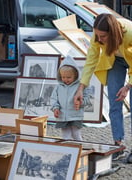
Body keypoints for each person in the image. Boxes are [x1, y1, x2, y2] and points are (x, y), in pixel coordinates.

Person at [73, 13, 132, 162]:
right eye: (97, 35)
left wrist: (128, 86)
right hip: (115, 61)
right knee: (114, 102)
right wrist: (81, 87)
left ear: (113, 33)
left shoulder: (130, 33)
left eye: (103, 36)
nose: (99, 39)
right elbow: (91, 60)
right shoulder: (98, 35)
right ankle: (118, 145)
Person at [50, 55, 91, 141]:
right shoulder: (58, 87)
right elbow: (53, 99)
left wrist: (81, 102)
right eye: (63, 77)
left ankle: (80, 149)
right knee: (65, 136)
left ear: (76, 75)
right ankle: (68, 151)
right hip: (62, 116)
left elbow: (87, 99)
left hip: (76, 116)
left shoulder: (80, 87)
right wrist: (55, 108)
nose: (65, 79)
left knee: (76, 134)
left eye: (69, 77)